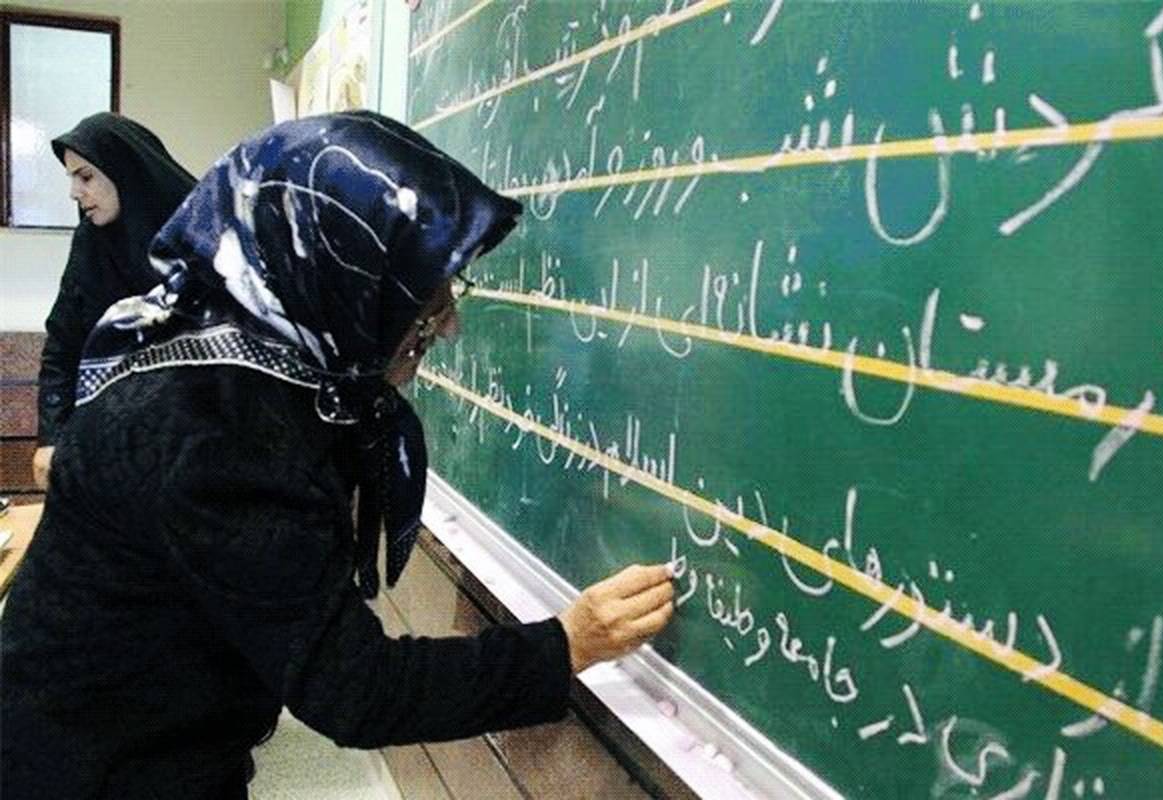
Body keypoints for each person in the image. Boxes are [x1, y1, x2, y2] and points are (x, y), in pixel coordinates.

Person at [0, 111, 674, 799]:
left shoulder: (241, 367)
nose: (447, 321)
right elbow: (356, 689)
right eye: (422, 289)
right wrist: (569, 645)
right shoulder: (219, 435)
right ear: (337, 273)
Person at [31, 112, 196, 490]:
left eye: (86, 176)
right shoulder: (90, 245)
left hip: (195, 450)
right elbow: (62, 347)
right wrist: (51, 438)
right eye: (72, 178)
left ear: (124, 170)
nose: (75, 192)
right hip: (111, 446)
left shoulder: (200, 237)